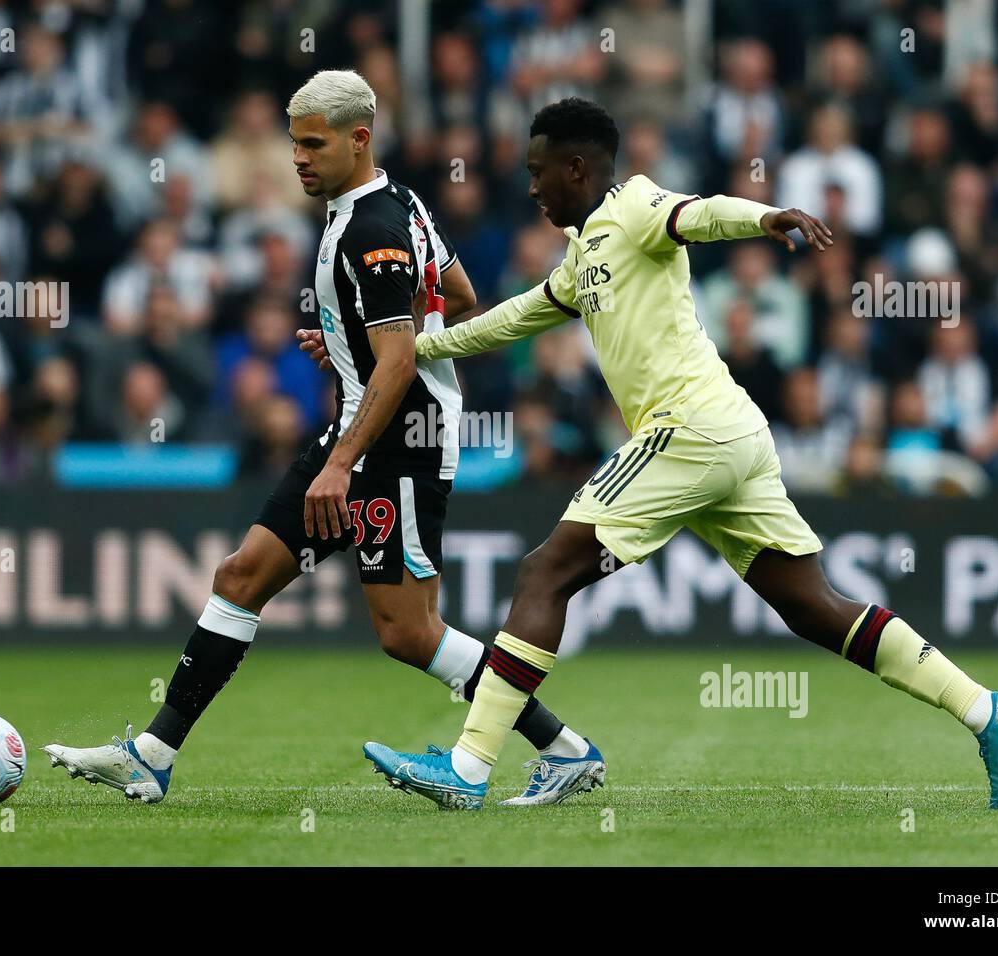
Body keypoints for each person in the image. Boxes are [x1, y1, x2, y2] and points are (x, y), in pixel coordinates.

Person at [354, 98, 998, 811]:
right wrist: (407, 352)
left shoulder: (637, 206)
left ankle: (468, 768)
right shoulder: (584, 253)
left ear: (576, 167)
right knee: (813, 606)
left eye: (538, 171)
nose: (531, 187)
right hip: (729, 434)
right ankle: (987, 710)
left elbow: (698, 212)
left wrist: (764, 219)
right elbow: (509, 319)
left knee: (543, 572)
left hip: (690, 430)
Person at [42, 71, 599, 806]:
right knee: (241, 578)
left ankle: (563, 748)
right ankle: (152, 753)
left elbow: (400, 359)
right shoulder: (399, 205)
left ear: (358, 138)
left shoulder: (370, 227)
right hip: (360, 429)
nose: (298, 158)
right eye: (293, 142)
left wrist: (343, 455)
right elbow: (456, 298)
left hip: (398, 444)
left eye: (313, 143)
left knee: (409, 632)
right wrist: (347, 341)